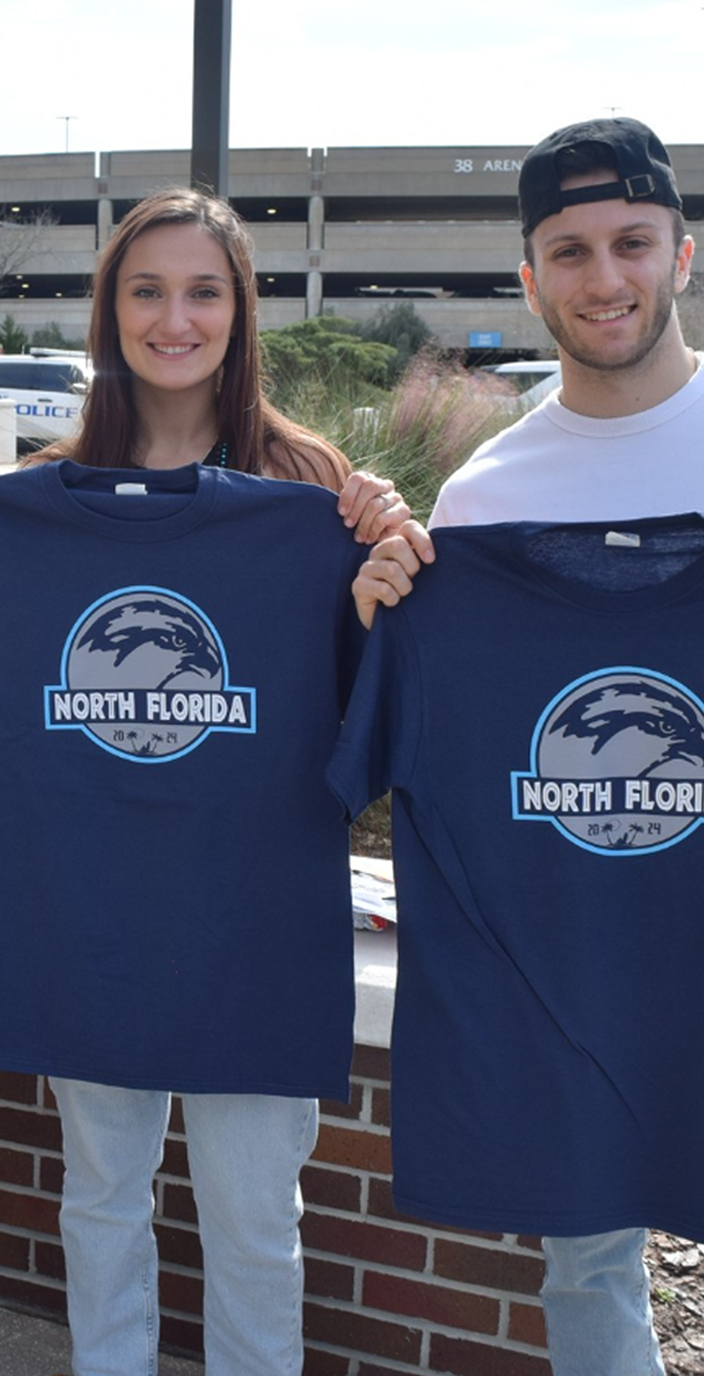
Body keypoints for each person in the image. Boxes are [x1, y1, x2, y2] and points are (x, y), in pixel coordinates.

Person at [0, 187, 417, 1376]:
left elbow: (383, 704)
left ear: (240, 313)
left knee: (250, 1223)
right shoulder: (48, 494)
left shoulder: (315, 492)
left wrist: (391, 554)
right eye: (146, 290)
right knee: (103, 1201)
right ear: (108, 311)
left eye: (202, 291)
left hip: (254, 928)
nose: (173, 319)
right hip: (92, 922)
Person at [351, 117, 701, 1376]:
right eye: (570, 250)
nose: (604, 278)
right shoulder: (489, 499)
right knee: (591, 1260)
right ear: (530, 279)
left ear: (683, 252)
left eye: (631, 243)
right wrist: (392, 594)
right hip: (578, 970)